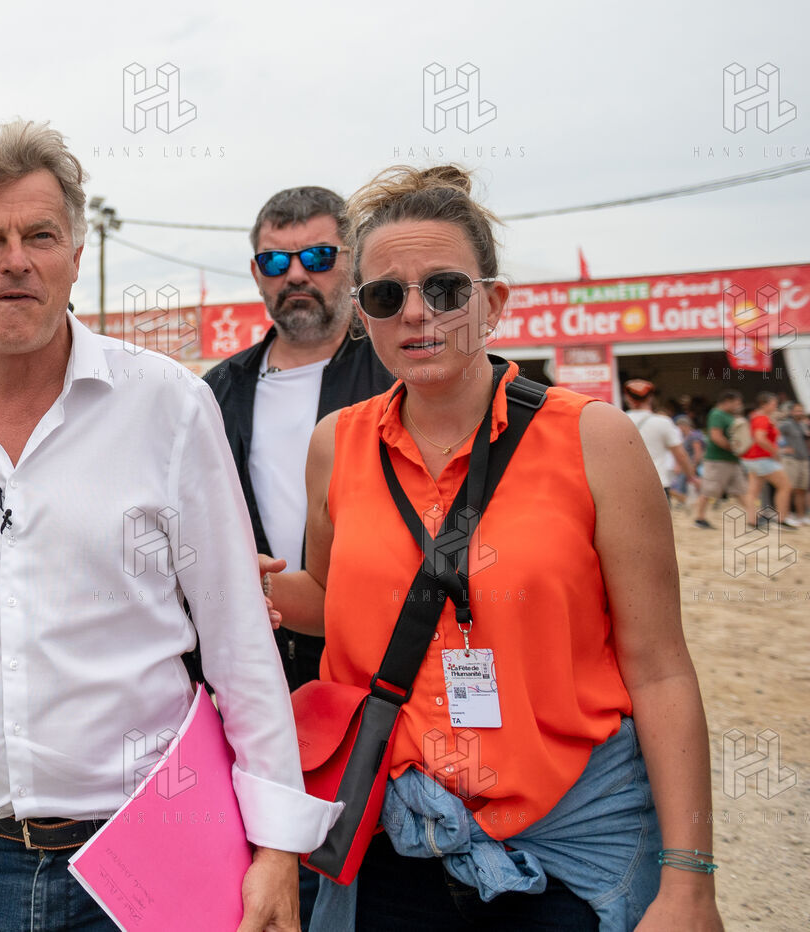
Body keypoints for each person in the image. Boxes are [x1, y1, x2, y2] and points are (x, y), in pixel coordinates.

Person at [0, 119, 339, 932]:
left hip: (150, 847)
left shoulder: (168, 405)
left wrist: (274, 844)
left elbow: (238, 634)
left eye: (39, 235)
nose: (15, 260)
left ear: (75, 253)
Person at [268, 164, 721, 930]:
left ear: (495, 302)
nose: (418, 313)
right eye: (387, 295)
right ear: (363, 316)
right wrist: (248, 587)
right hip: (392, 838)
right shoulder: (334, 446)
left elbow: (661, 667)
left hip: (571, 838)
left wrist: (689, 882)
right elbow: (328, 596)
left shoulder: (595, 441)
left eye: (446, 289)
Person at [202, 185, 393, 926]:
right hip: (254, 665)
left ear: (351, 263)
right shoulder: (216, 392)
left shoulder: (399, 377)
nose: (297, 275)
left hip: (377, 665)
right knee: (258, 869)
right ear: (256, 274)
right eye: (276, 261)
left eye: (317, 256)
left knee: (370, 870)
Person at [622, 379, 697, 505]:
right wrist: (691, 476)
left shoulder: (620, 420)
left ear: (628, 398)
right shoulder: (663, 422)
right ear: (650, 398)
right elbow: (681, 455)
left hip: (627, 484)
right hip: (658, 483)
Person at [693, 391, 749, 530]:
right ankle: (699, 518)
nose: (738, 406)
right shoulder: (717, 414)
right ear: (727, 401)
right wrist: (733, 448)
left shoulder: (729, 415)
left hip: (730, 460)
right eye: (736, 403)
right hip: (717, 460)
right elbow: (715, 436)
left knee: (741, 490)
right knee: (708, 490)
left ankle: (753, 517)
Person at [742, 391, 795, 529]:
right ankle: (781, 519)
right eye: (773, 404)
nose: (775, 406)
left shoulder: (756, 416)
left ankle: (752, 521)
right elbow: (760, 438)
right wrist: (775, 452)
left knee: (753, 492)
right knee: (785, 486)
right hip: (762, 458)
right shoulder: (762, 418)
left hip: (752, 458)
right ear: (764, 404)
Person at [781, 401, 809, 525]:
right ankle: (786, 515)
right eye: (797, 410)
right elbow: (774, 434)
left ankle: (801, 516)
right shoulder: (786, 424)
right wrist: (782, 449)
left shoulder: (803, 425)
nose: (800, 413)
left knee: (801, 490)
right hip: (791, 460)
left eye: (801, 410)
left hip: (803, 460)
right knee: (788, 489)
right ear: (792, 412)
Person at [673, 414, 706, 506]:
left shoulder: (694, 436)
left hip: (693, 463)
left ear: (684, 425)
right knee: (687, 481)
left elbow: (698, 452)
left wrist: (694, 466)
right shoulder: (684, 437)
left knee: (684, 480)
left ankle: (682, 501)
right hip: (688, 464)